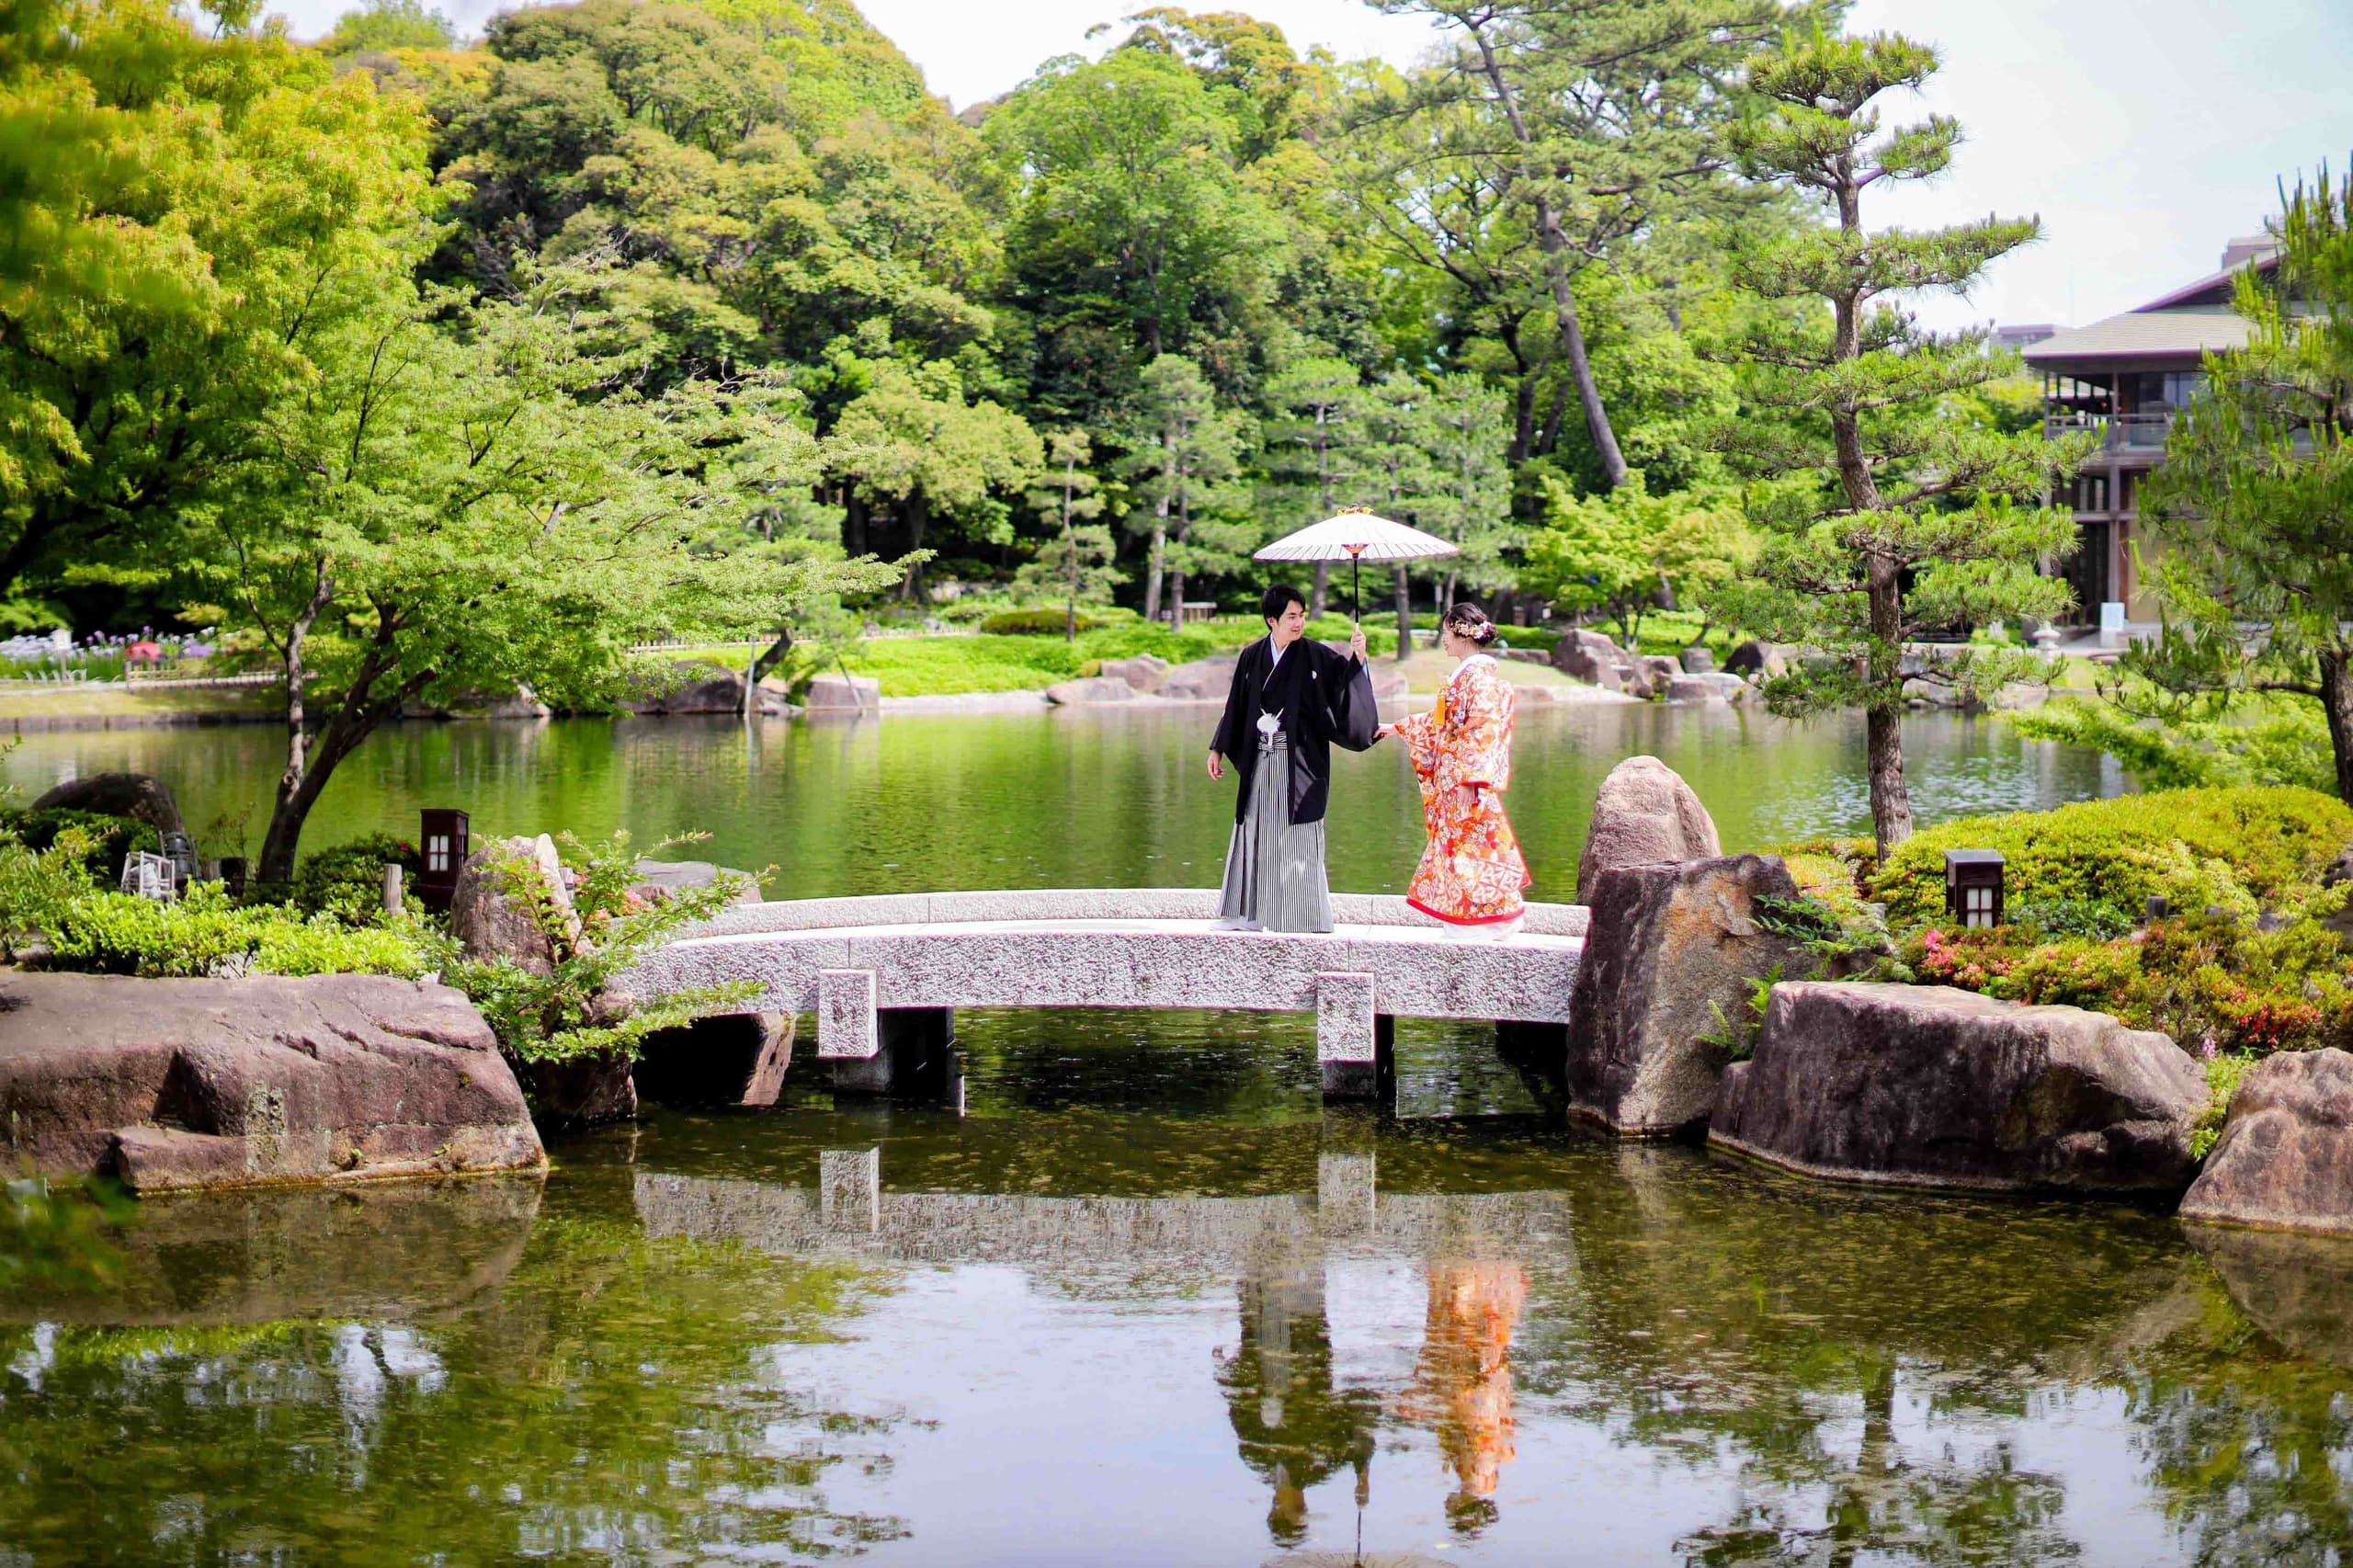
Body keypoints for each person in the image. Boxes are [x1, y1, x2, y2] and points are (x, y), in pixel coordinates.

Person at [1210, 585, 1376, 933]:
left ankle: (1301, 916)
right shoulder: (1252, 656)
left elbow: (1344, 688)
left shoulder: (1316, 656)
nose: (1299, 623)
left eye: (1301, 616)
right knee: (1254, 827)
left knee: (1297, 833)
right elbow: (1236, 705)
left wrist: (1358, 659)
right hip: (1260, 759)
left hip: (1298, 761)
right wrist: (1218, 748)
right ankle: (1250, 914)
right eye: (1291, 616)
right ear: (1272, 620)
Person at [1377, 602, 1530, 937]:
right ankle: (1472, 918)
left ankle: (1491, 919)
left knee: (1473, 848)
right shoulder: (1465, 676)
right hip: (1455, 778)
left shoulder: (1477, 679)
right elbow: (1441, 724)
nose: (1443, 638)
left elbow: (1482, 728)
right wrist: (1399, 727)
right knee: (1464, 848)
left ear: (1461, 634)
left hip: (1466, 781)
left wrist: (1471, 778)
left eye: (1446, 631)